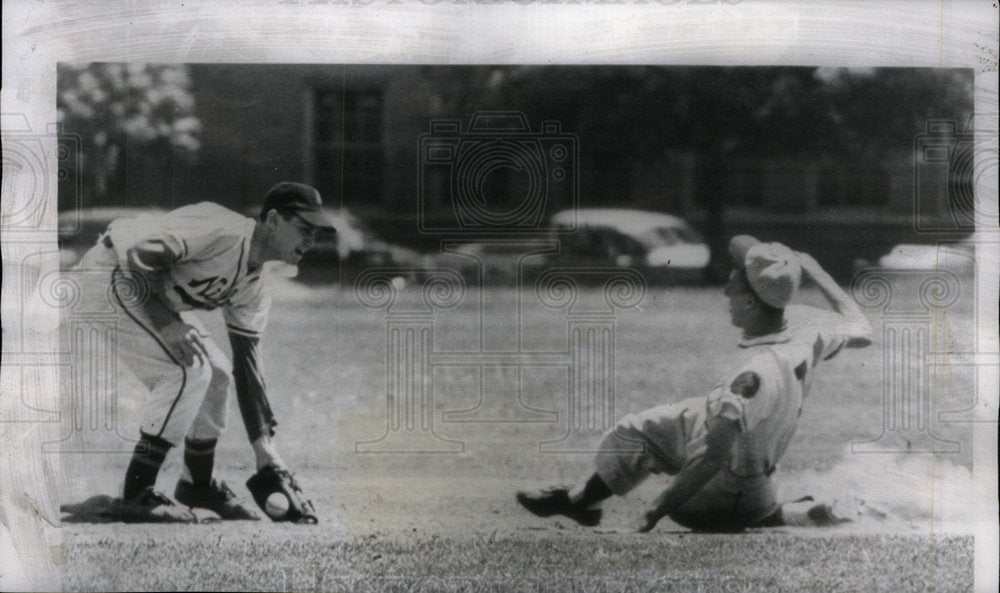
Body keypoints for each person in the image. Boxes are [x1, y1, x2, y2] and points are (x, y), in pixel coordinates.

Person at [517, 235, 873, 532]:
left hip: (711, 500)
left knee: (677, 430)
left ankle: (777, 514)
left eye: (733, 284)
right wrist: (817, 271)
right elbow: (861, 329)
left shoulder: (753, 372)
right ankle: (792, 512)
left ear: (750, 300)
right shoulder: (806, 328)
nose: (725, 292)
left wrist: (653, 513)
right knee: (682, 416)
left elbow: (711, 457)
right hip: (756, 485)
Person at [67, 182, 334, 522]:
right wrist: (167, 323)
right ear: (273, 219)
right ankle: (138, 493)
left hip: (142, 287)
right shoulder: (221, 229)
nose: (312, 239)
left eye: (317, 232)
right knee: (187, 370)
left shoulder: (256, 287)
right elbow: (139, 255)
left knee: (217, 375)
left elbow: (248, 370)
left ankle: (198, 486)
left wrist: (266, 453)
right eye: (304, 228)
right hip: (108, 273)